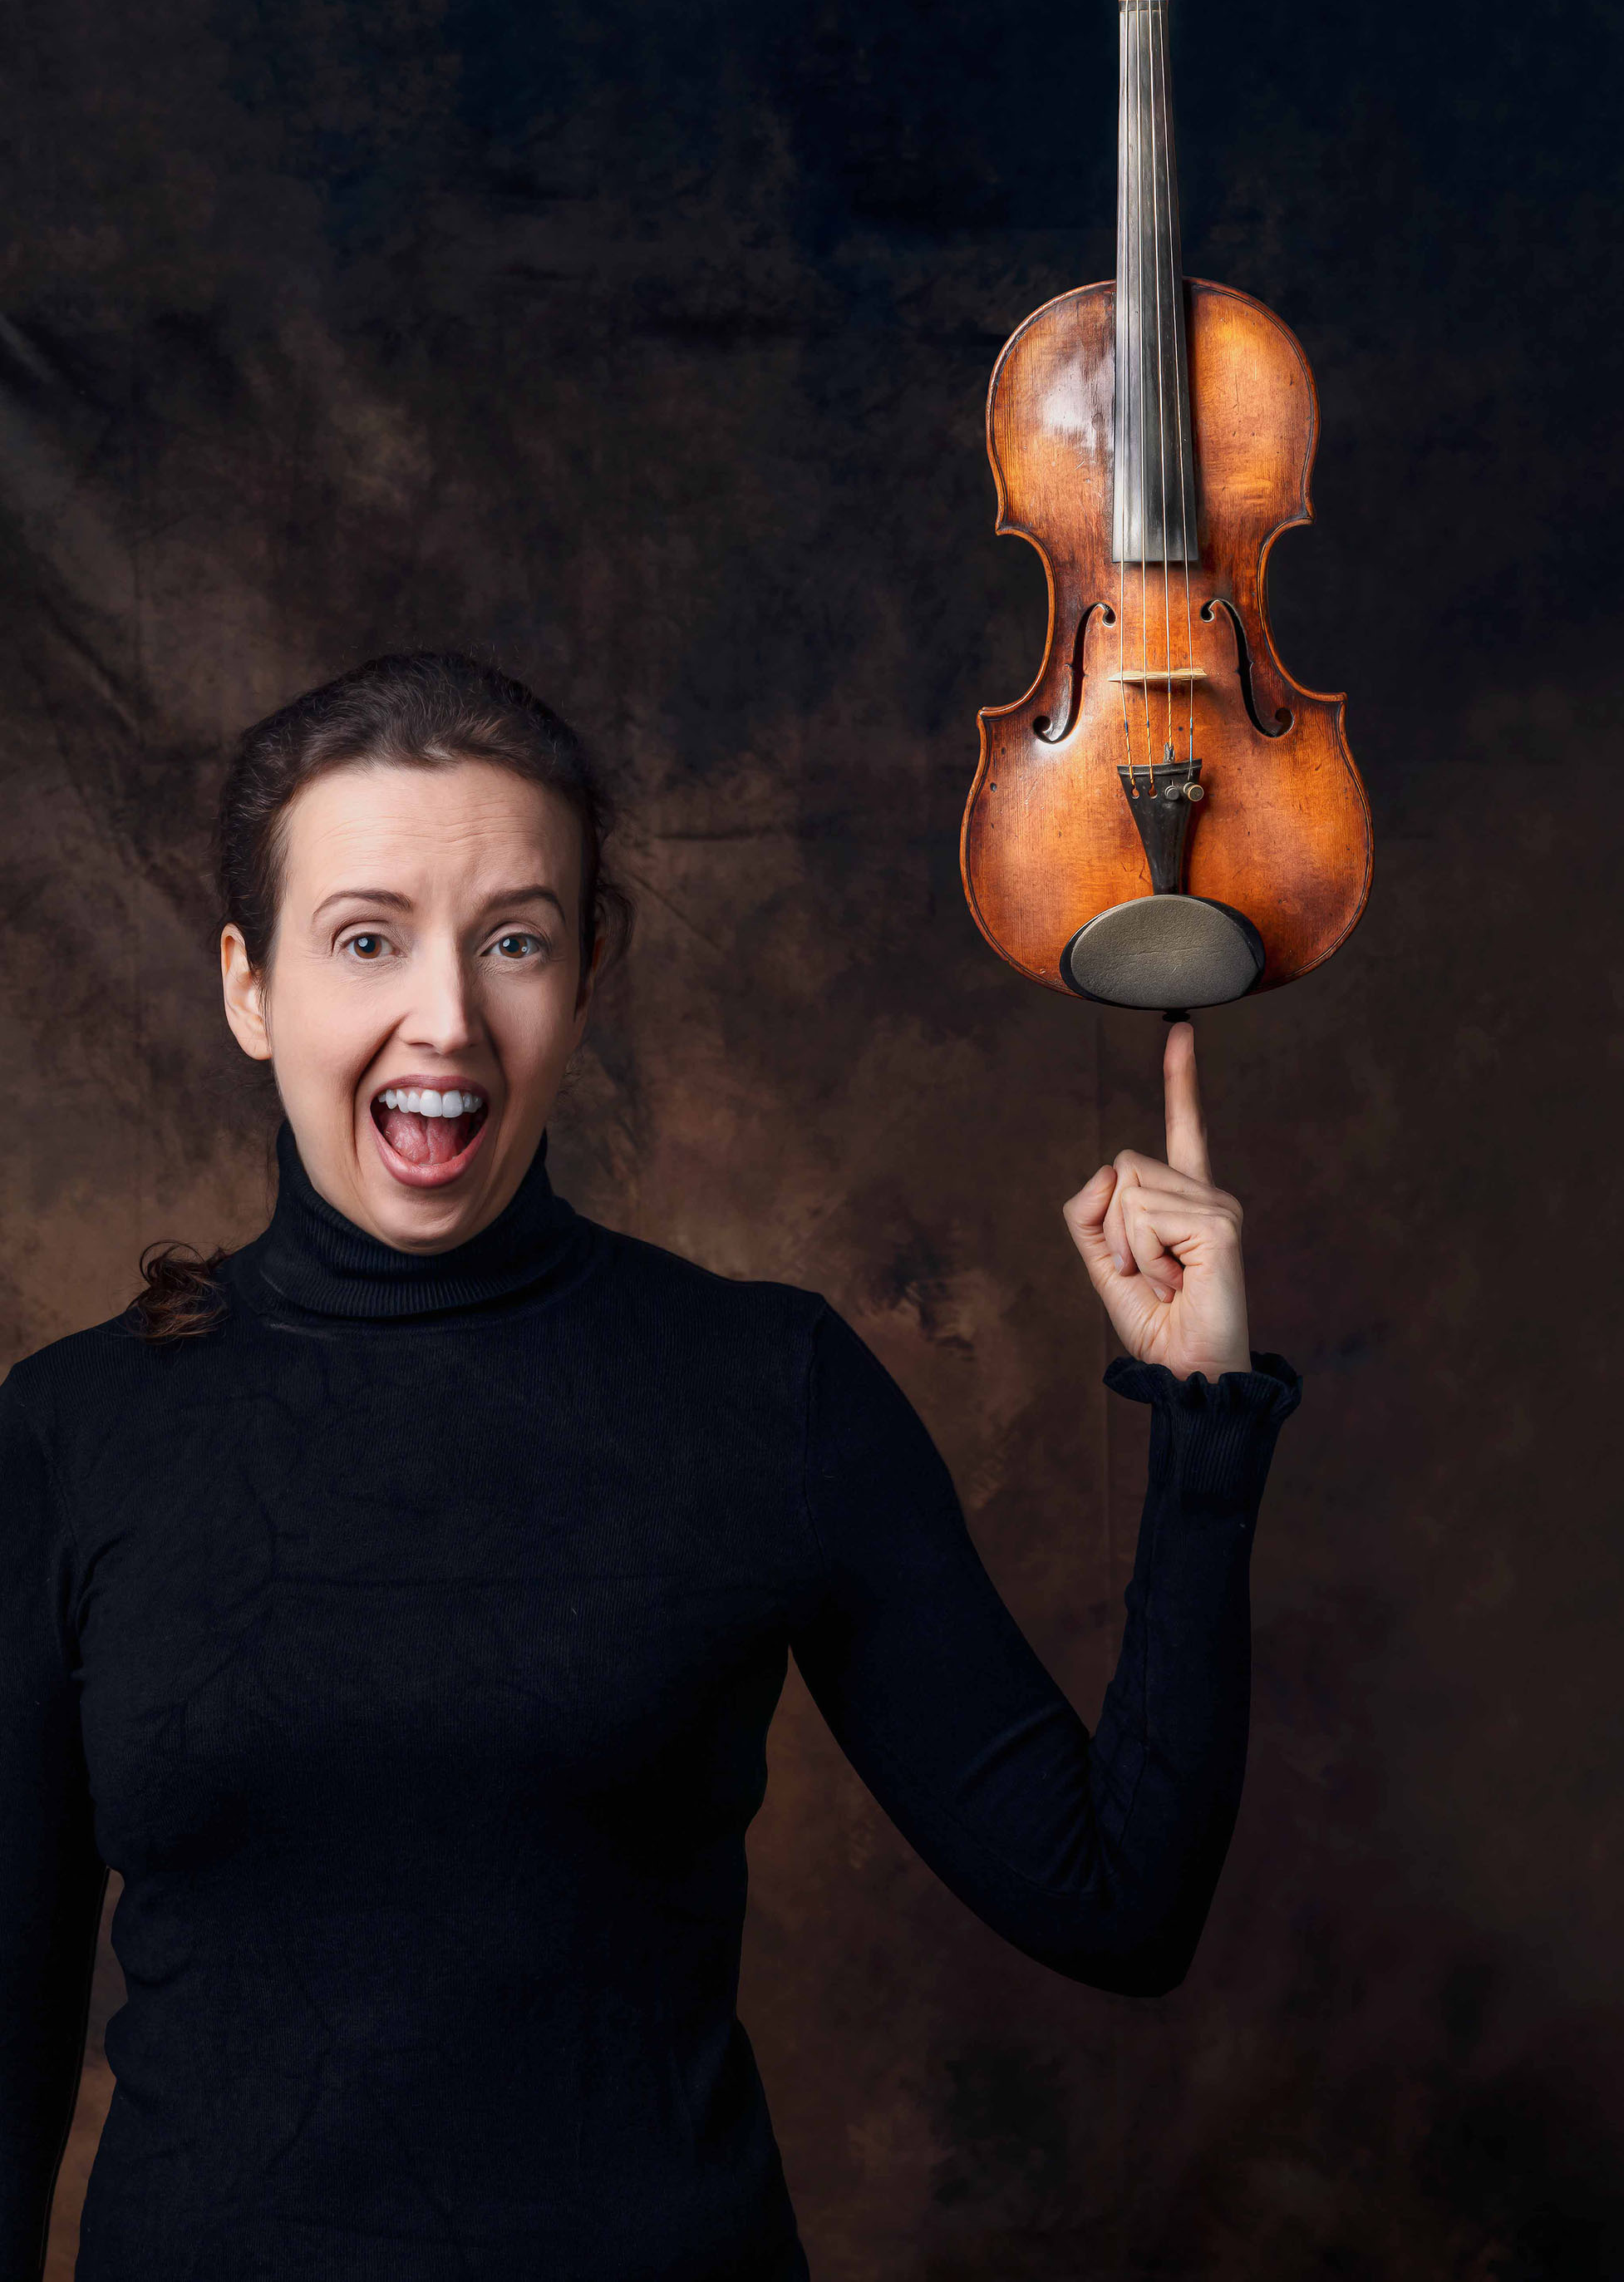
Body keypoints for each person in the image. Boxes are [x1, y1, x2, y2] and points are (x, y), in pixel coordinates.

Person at [0, 651, 1301, 2282]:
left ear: (587, 972)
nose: (447, 1017)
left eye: (515, 939)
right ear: (249, 986)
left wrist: (1203, 1424)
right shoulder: (73, 1433)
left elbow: (1117, 1903)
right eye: (365, 938)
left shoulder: (770, 1386)